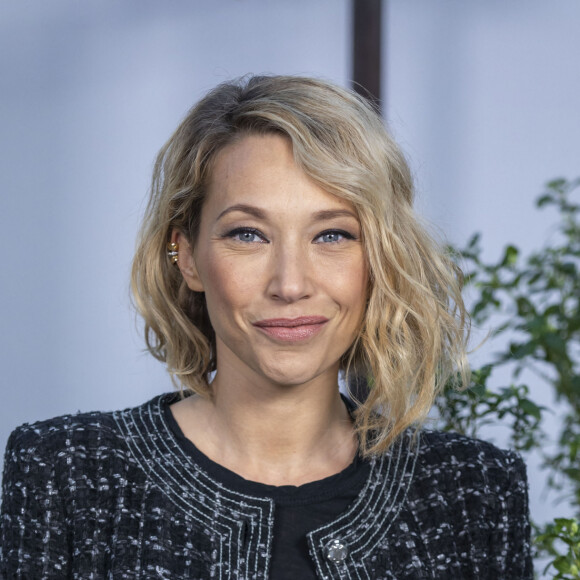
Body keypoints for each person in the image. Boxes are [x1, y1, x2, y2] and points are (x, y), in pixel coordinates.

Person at [0, 75, 532, 579]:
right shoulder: (67, 474)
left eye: (332, 236)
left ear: (380, 259)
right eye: (249, 234)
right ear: (187, 257)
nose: (290, 284)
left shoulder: (474, 493)